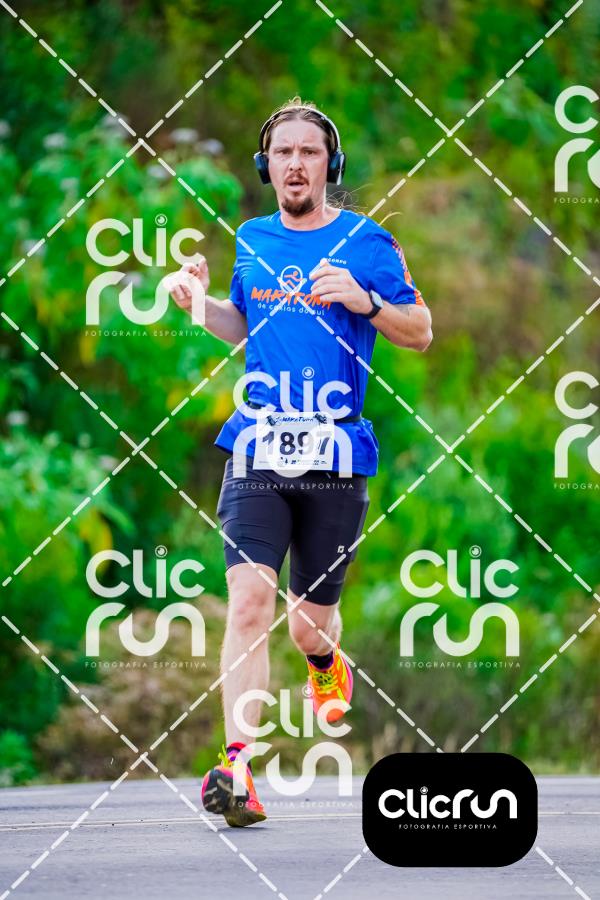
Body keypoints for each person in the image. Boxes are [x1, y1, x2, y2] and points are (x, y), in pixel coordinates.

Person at [169, 97, 432, 827]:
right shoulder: (251, 239)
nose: (294, 163)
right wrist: (195, 303)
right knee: (249, 603)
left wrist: (366, 302)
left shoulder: (369, 243)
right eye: (282, 152)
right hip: (257, 445)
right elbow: (242, 328)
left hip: (335, 454)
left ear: (329, 165)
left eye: (308, 152)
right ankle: (236, 768)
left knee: (308, 627)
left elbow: (421, 330)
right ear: (266, 165)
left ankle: (323, 661)